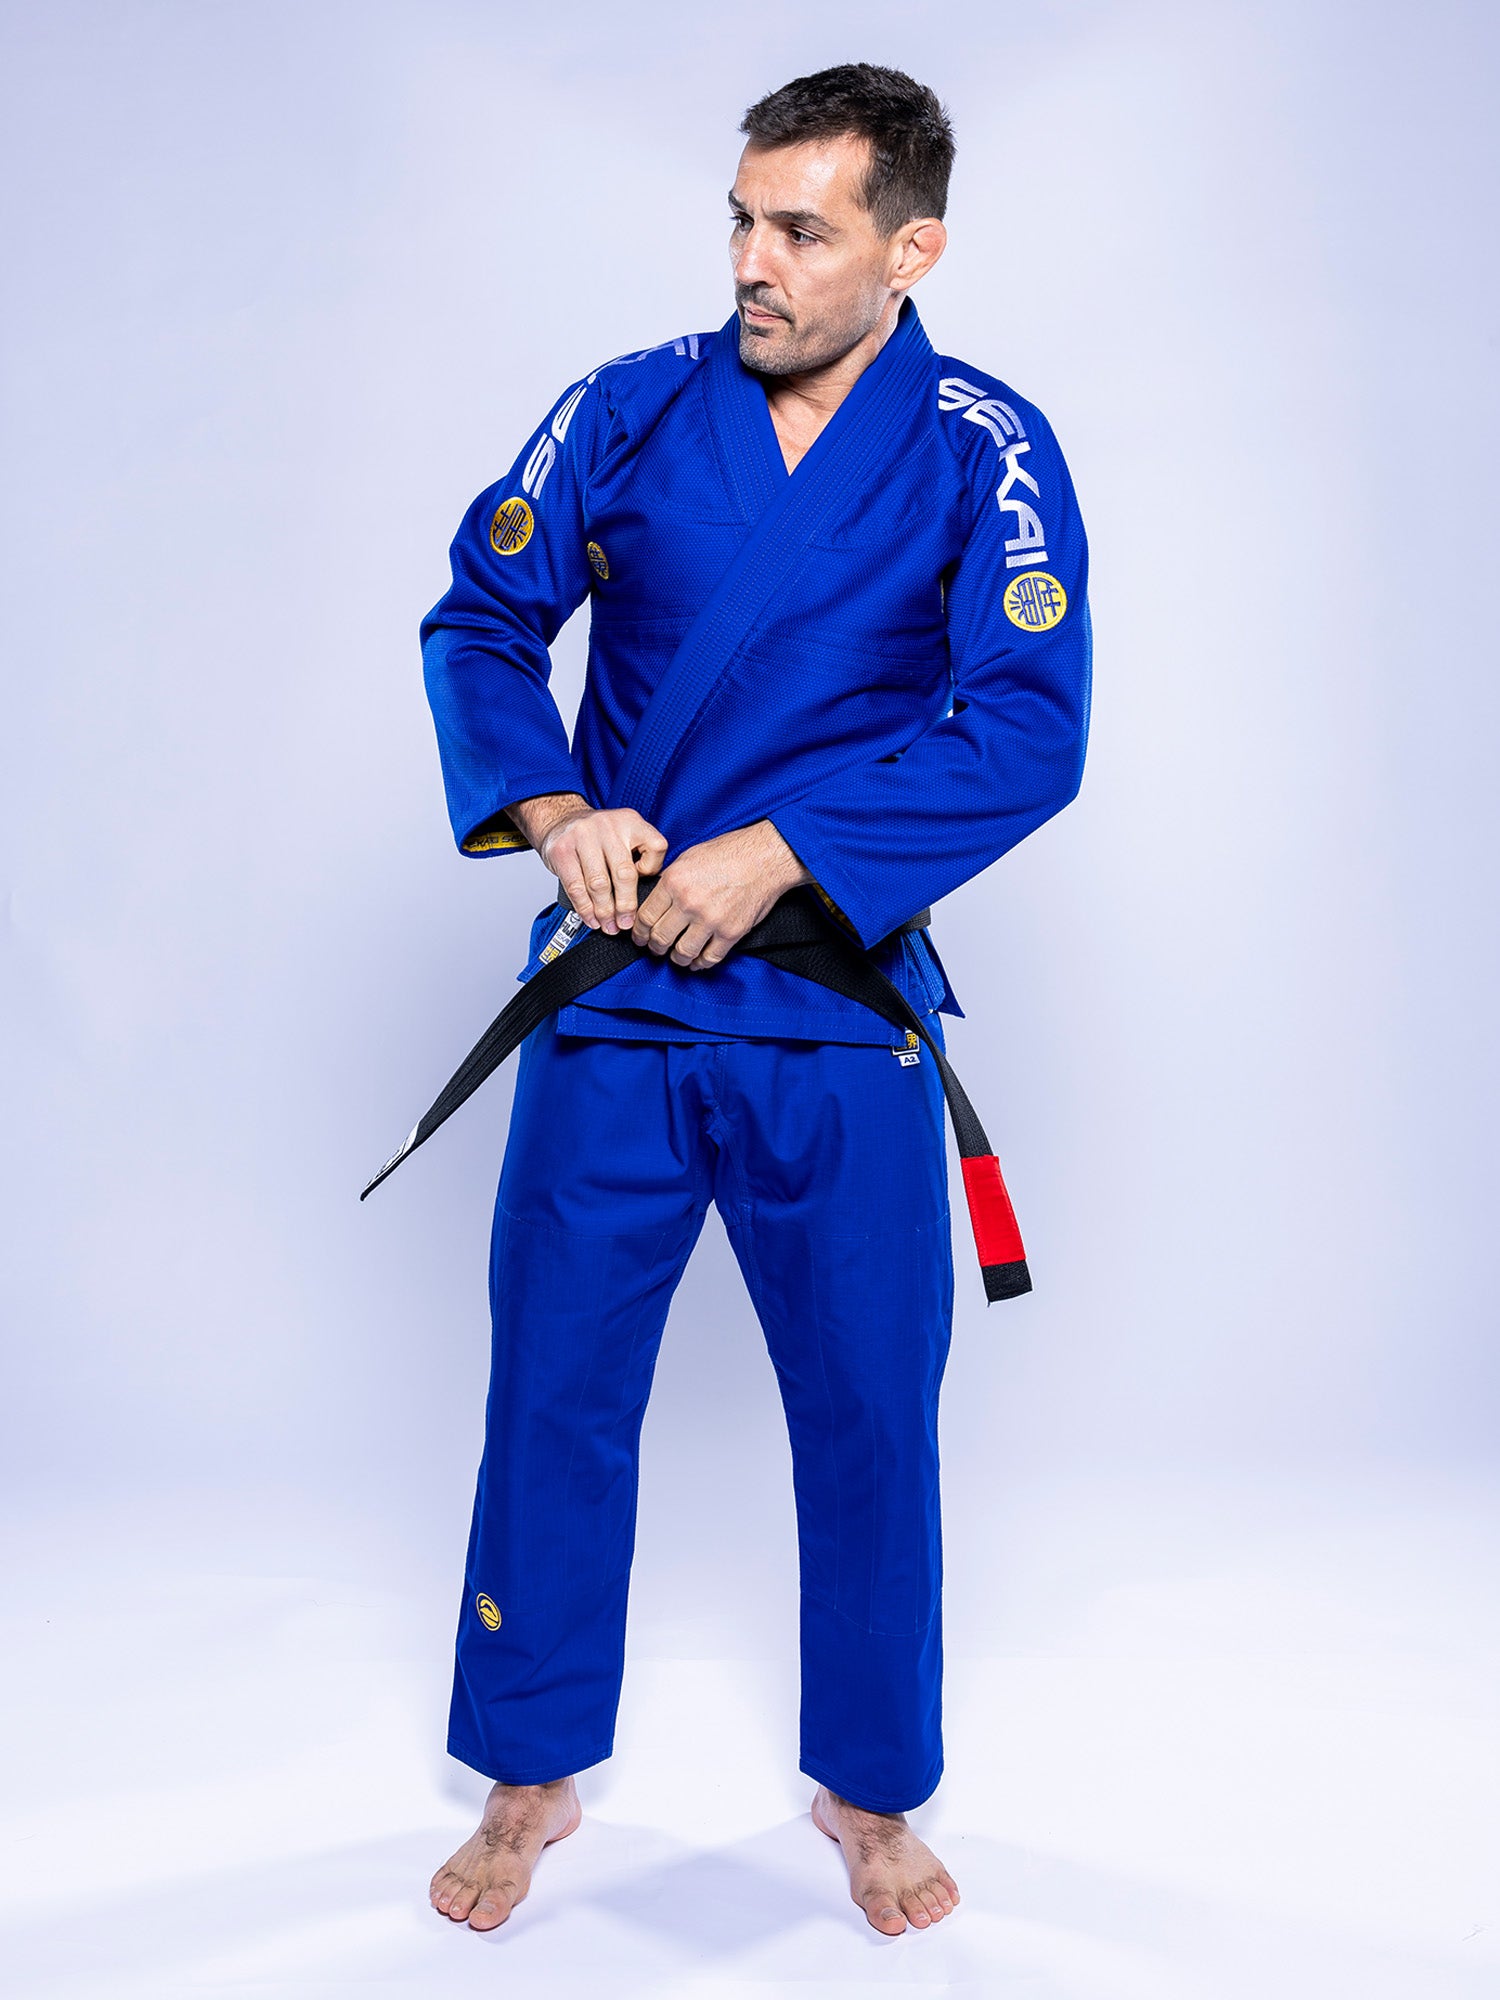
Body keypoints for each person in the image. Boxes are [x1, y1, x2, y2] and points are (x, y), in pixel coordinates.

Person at [419, 62, 1091, 1936]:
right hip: (620, 996)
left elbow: (1031, 727)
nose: (754, 264)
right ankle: (531, 1771)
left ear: (911, 244)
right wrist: (558, 811)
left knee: (872, 1407)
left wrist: (781, 850)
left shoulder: (987, 442)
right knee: (555, 1389)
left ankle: (869, 1791)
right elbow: (480, 616)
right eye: (740, 219)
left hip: (832, 999)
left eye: (801, 229)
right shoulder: (626, 408)